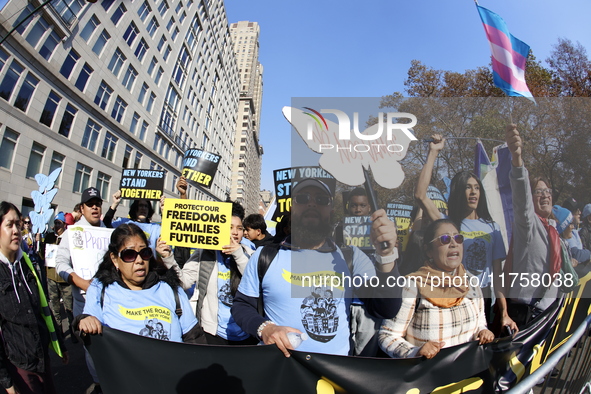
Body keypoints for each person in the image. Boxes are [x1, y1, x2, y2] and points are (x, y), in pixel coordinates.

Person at [232, 178, 402, 357]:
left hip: (335, 373)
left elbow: (385, 308)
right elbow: (242, 305)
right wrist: (265, 329)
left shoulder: (351, 257)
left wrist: (386, 255)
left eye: (321, 200)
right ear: (292, 208)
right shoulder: (265, 255)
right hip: (281, 371)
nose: (311, 204)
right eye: (303, 198)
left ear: (331, 211)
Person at [415, 134, 509, 328]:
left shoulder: (493, 228)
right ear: (458, 192)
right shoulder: (448, 225)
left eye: (476, 188)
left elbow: (498, 276)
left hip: (485, 298)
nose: (473, 192)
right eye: (467, 188)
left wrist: (504, 312)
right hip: (453, 294)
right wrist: (433, 152)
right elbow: (420, 195)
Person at [379, 219, 494, 359]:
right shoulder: (413, 286)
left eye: (458, 238)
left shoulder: (471, 282)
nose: (453, 244)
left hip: (468, 375)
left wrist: (483, 331)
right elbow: (387, 336)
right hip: (431, 377)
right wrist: (414, 352)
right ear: (429, 251)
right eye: (445, 239)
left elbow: (480, 322)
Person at [75, 224, 204, 344]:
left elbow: (194, 340)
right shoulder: (100, 289)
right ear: (115, 259)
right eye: (129, 254)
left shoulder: (171, 288)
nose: (139, 260)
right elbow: (89, 326)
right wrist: (84, 321)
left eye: (144, 253)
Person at [162, 202, 256, 345]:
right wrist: (168, 258)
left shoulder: (250, 254)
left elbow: (255, 281)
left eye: (239, 228)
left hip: (245, 333)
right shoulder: (204, 253)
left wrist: (237, 254)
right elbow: (184, 282)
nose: (235, 233)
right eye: (230, 227)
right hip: (213, 334)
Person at [0, 202, 68, 394]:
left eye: (18, 224)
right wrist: (6, 381)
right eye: (9, 225)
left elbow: (44, 307)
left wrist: (61, 345)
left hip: (42, 358)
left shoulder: (29, 264)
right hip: (18, 364)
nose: (16, 230)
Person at [503, 124, 564, 328]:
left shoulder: (553, 230)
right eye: (538, 192)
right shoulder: (528, 224)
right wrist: (517, 158)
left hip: (548, 314)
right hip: (525, 316)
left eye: (547, 191)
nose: (545, 195)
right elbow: (521, 197)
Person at [55, 187, 105, 391]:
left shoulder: (108, 232)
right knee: (91, 347)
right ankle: (98, 383)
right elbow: (60, 263)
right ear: (82, 208)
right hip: (83, 303)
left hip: (108, 301)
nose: (95, 207)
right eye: (90, 204)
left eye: (98, 203)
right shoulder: (72, 233)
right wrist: (80, 281)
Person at [41, 212, 75, 344]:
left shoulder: (68, 238)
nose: (56, 225)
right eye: (55, 223)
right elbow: (42, 255)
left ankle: (73, 333)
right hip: (51, 277)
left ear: (64, 224)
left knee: (69, 308)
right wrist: (39, 242)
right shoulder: (49, 237)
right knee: (55, 307)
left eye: (59, 223)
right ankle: (59, 334)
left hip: (65, 279)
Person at [553, 205, 590, 269]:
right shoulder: (562, 243)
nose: (573, 227)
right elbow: (576, 254)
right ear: (563, 228)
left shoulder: (564, 242)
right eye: (570, 224)